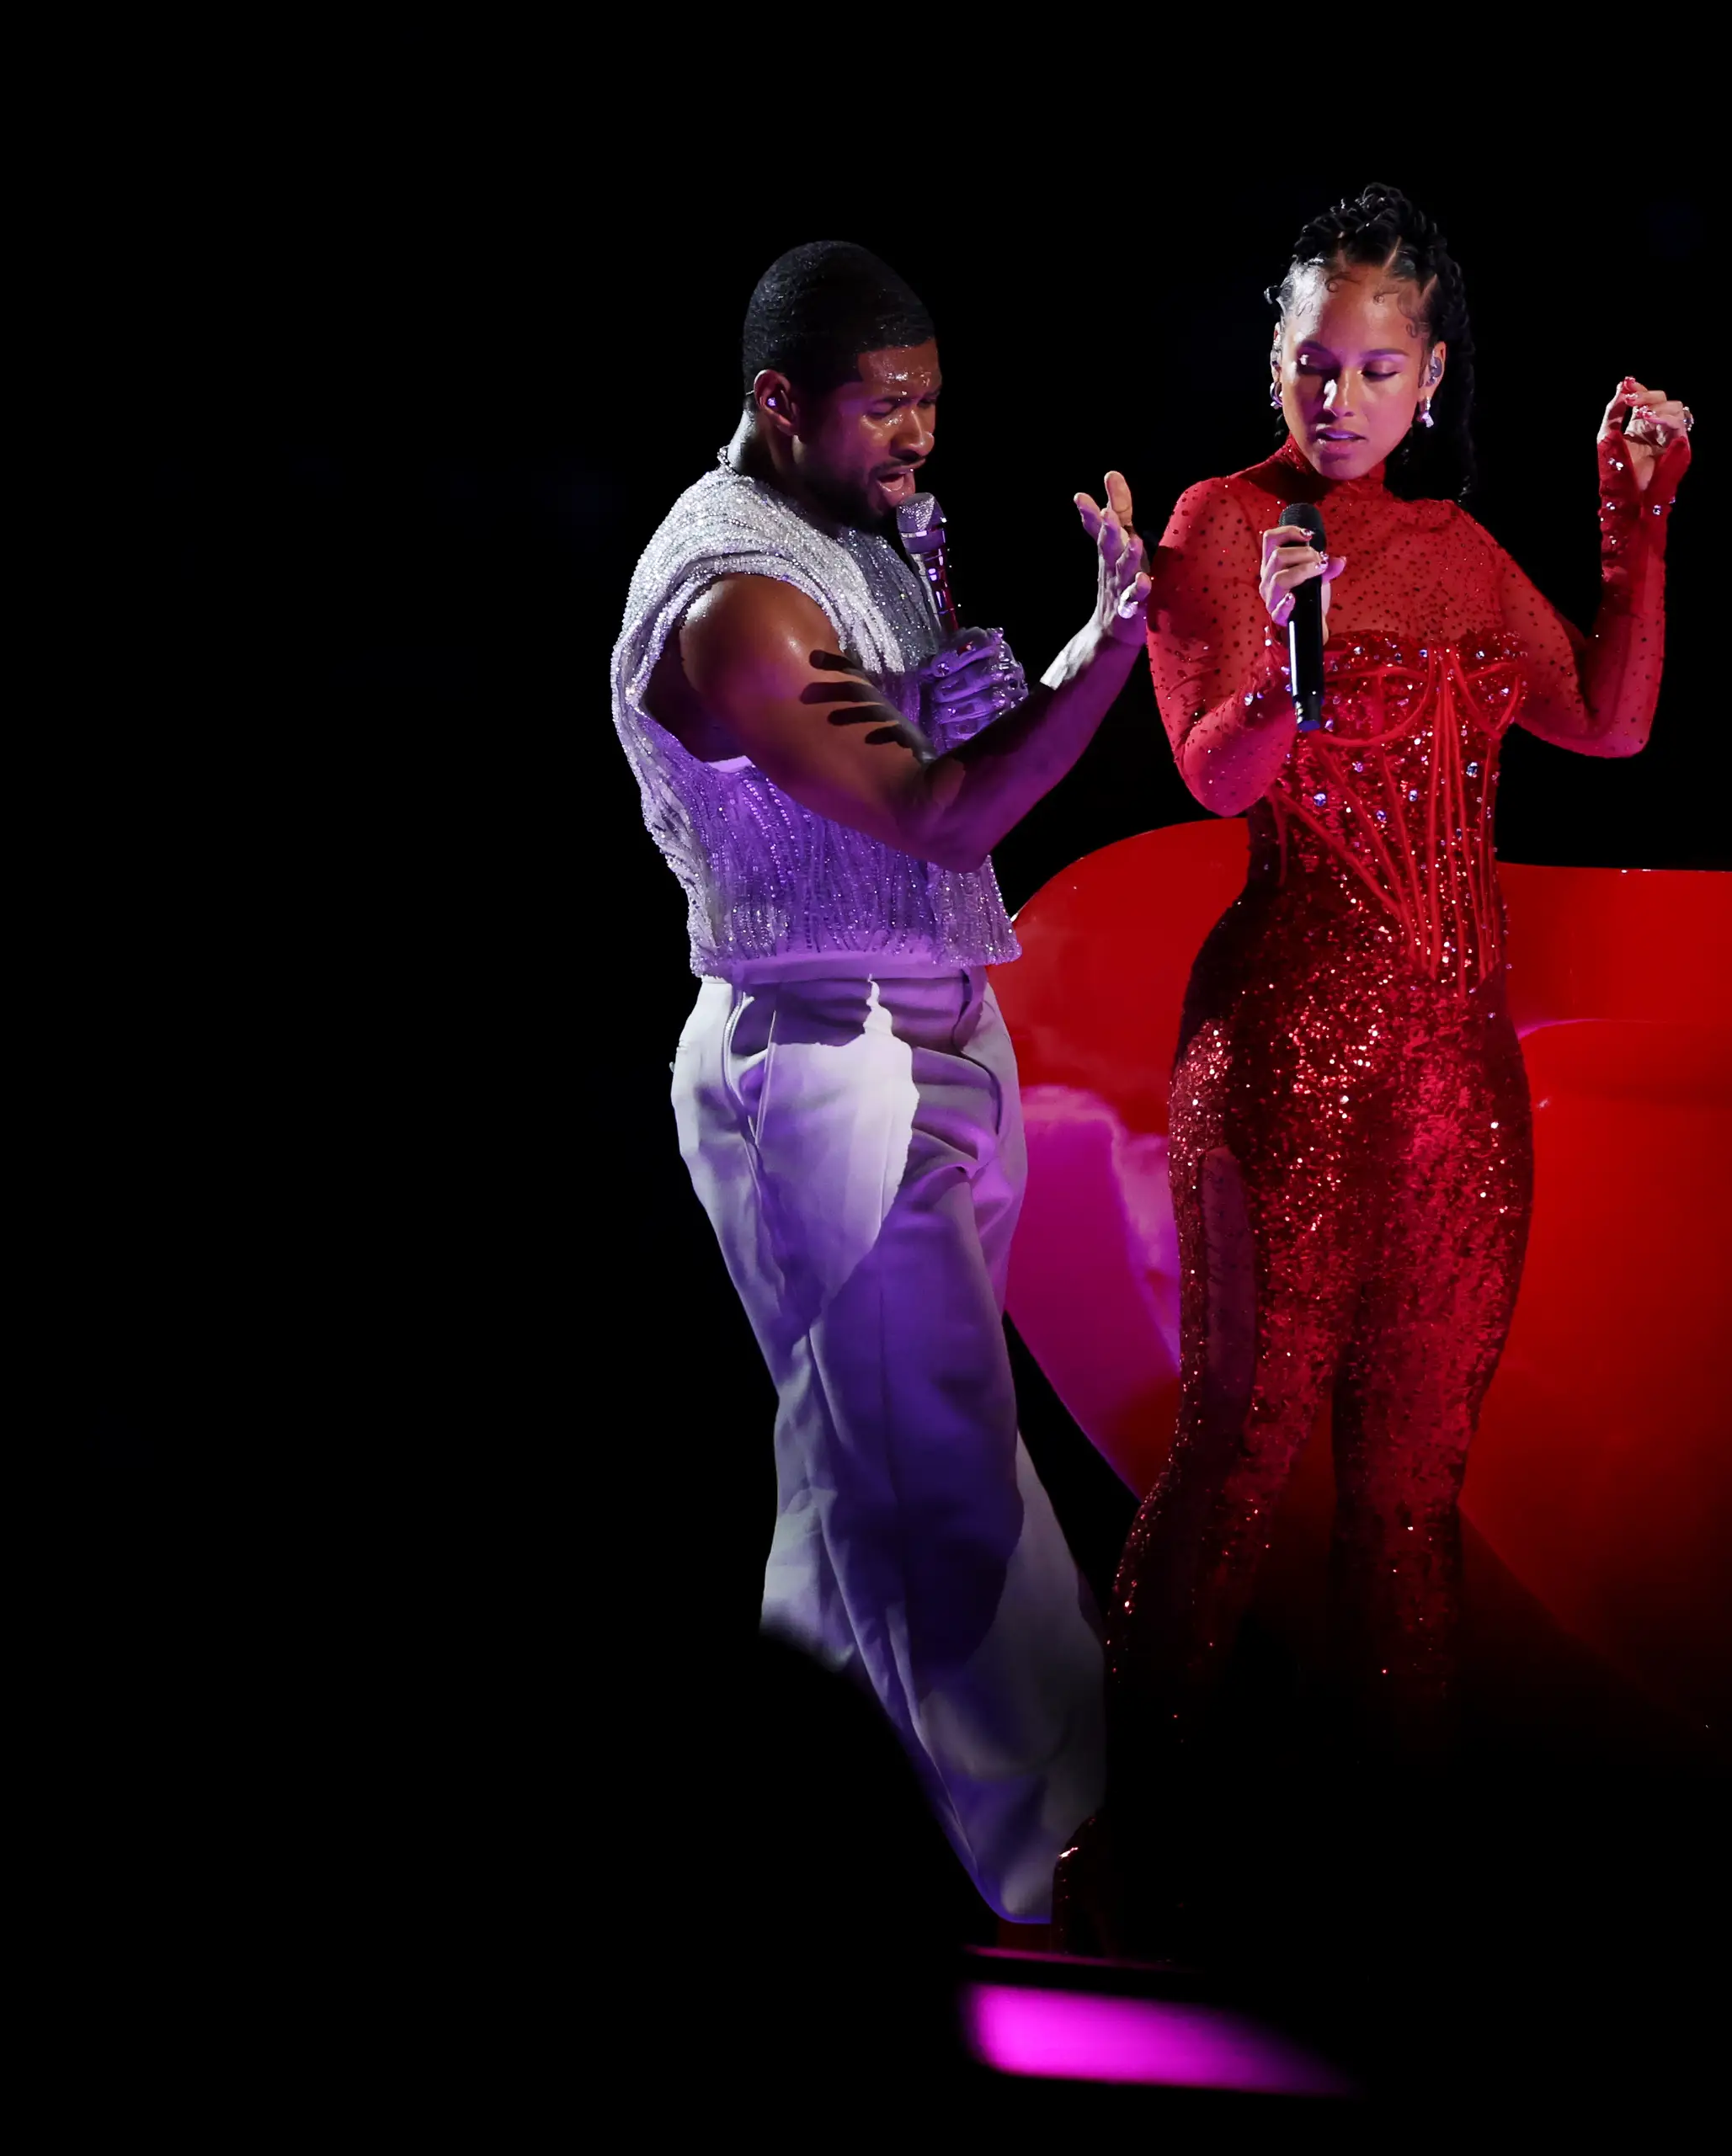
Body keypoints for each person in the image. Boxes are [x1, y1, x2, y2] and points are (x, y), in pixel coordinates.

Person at [1064, 187, 1693, 1946]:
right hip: (1283, 1047)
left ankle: (1395, 1892)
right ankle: (1144, 1854)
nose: (1338, 394)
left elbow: (1611, 722)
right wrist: (1294, 644)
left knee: (1415, 1496)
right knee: (1245, 1449)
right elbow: (1215, 773)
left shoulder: (1468, 550)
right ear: (1276, 356)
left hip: (1453, 1074)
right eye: (1313, 361)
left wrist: (1635, 529)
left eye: (1375, 367)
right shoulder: (1220, 521)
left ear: (1428, 380)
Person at [608, 241, 1150, 1924]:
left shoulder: (848, 536)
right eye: (882, 405)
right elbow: (934, 814)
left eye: (931, 399)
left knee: (855, 1486)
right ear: (781, 403)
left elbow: (910, 749)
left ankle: (787, 1854)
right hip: (823, 1061)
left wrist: (946, 688)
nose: (918, 433)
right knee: (941, 1481)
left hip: (930, 1031)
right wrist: (1102, 657)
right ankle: (1069, 1871)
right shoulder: (730, 602)